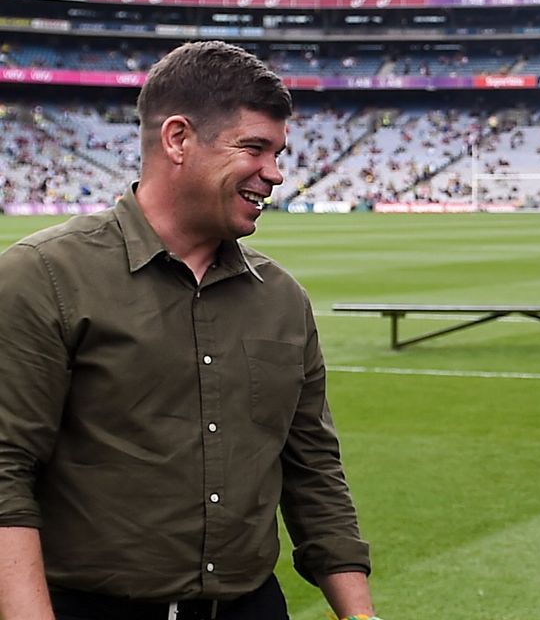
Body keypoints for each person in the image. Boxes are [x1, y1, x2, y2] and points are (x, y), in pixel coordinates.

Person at [0, 41, 380, 620]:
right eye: (254, 148)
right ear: (177, 139)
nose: (274, 174)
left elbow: (314, 471)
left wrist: (360, 616)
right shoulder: (45, 275)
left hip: (249, 607)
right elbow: (5, 470)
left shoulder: (282, 299)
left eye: (279, 153)